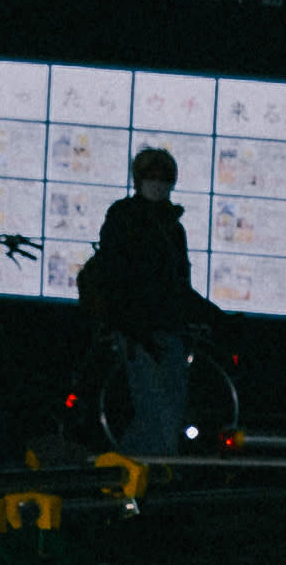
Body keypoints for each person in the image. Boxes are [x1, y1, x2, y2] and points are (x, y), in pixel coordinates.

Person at [81, 145, 209, 454]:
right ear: (138, 179)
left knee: (164, 416)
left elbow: (179, 285)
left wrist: (210, 317)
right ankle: (140, 471)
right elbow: (118, 280)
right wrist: (137, 332)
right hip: (138, 336)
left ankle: (127, 469)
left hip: (168, 333)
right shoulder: (124, 219)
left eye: (164, 177)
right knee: (159, 417)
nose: (158, 183)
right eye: (152, 176)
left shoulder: (173, 228)